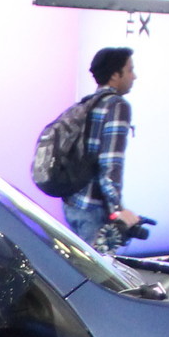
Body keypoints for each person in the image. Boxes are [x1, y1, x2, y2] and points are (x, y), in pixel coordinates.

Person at [65, 46, 141, 252]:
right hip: (94, 212)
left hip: (73, 205)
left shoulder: (87, 103)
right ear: (116, 75)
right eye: (130, 70)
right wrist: (118, 212)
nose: (134, 76)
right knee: (101, 278)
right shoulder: (117, 106)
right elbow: (110, 163)